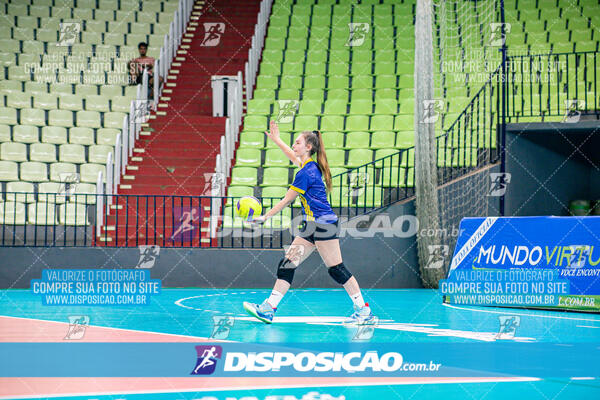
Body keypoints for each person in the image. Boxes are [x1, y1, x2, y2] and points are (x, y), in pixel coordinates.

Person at [243, 121, 375, 325]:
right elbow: (292, 156)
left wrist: (264, 217)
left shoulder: (306, 173)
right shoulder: (308, 165)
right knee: (288, 263)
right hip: (310, 227)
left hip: (324, 225)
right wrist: (277, 140)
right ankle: (269, 308)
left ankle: (363, 311)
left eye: (297, 142)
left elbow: (287, 199)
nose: (294, 146)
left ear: (309, 147)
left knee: (336, 269)